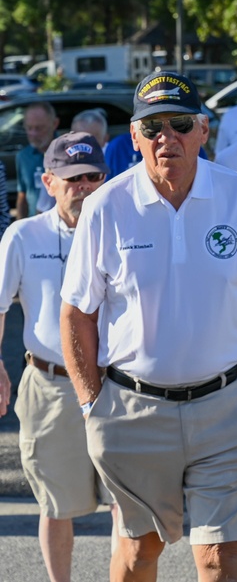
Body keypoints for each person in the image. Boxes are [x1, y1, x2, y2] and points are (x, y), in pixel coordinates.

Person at [60, 71, 237, 581]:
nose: (169, 137)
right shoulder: (105, 207)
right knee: (141, 552)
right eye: (153, 126)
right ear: (135, 137)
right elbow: (77, 312)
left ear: (203, 131)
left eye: (181, 123)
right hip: (131, 410)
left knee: (219, 558)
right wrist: (90, 402)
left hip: (230, 411)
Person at [0, 132, 113, 581]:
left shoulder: (121, 231)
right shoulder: (23, 235)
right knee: (55, 503)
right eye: (71, 178)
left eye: (91, 177)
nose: (82, 186)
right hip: (50, 386)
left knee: (125, 500)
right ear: (47, 181)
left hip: (116, 385)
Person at [17, 101, 59, 218]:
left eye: (39, 128)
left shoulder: (67, 152)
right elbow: (22, 195)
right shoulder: (23, 156)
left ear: (55, 123)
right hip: (34, 225)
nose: (33, 133)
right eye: (29, 128)